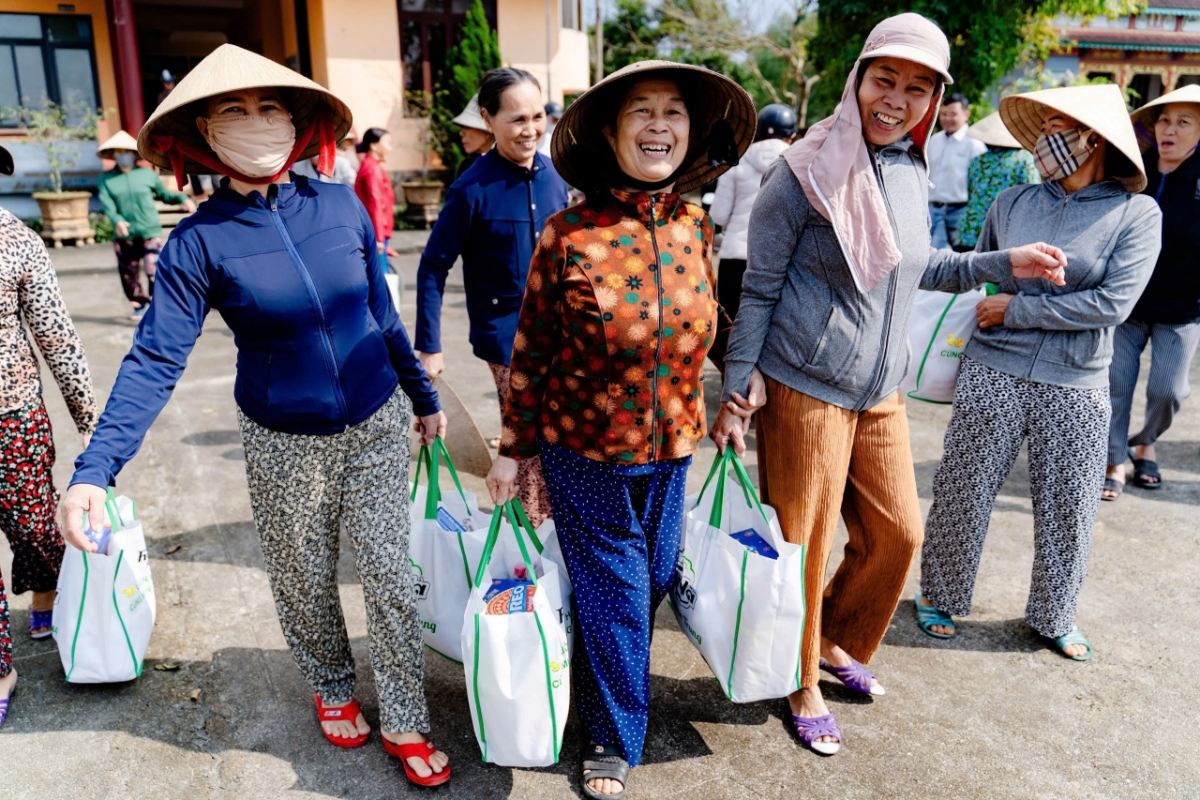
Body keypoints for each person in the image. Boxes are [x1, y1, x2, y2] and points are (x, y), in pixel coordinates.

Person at [61, 44, 452, 787]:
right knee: (303, 579)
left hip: (375, 421)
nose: (255, 122)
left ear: (298, 120)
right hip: (281, 441)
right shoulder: (198, 244)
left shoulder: (339, 203)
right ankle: (333, 686)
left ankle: (404, 715)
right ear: (202, 132)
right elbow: (153, 360)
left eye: (269, 105)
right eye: (232, 110)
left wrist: (424, 397)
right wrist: (93, 470)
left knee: (390, 576)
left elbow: (381, 314)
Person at [710, 13, 1070, 756]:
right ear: (859, 79)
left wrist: (1007, 263)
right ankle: (800, 676)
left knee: (897, 534)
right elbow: (761, 286)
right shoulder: (801, 172)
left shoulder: (910, 167)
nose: (896, 99)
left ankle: (839, 638)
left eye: (916, 87)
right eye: (885, 80)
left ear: (933, 98)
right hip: (804, 382)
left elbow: (923, 264)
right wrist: (738, 390)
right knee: (803, 543)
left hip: (882, 389)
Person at [487, 59, 752, 798]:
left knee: (656, 576)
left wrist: (735, 388)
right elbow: (530, 352)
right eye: (641, 111)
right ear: (610, 132)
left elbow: (707, 324)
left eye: (673, 112)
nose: (659, 125)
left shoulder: (698, 224)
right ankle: (609, 735)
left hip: (673, 445)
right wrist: (515, 451)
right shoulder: (568, 233)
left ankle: (596, 659)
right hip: (587, 452)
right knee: (620, 593)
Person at [916, 84, 1161, 662]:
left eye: (1057, 126)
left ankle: (1054, 615)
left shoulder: (1136, 214)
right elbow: (984, 274)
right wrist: (998, 301)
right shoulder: (1012, 201)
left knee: (1070, 503)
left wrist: (1016, 310)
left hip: (1076, 383)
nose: (1045, 139)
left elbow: (1112, 305)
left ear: (1092, 138)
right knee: (962, 489)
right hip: (991, 368)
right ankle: (941, 594)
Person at [415, 68, 568, 528]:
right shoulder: (471, 189)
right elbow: (431, 267)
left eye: (538, 116)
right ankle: (532, 539)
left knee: (560, 435)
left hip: (565, 333)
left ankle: (551, 525)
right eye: (517, 119)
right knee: (524, 436)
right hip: (508, 339)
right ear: (488, 119)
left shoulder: (556, 177)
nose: (531, 130)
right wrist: (430, 346)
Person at [0, 142, 98, 728]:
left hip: (12, 416)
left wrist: (90, 421)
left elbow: (57, 337)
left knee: (35, 526)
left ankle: (44, 591)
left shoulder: (16, 242)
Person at [1104, 84, 1200, 499]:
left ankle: (1147, 442)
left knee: (1168, 390)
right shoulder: (1133, 172)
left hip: (1183, 307)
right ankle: (1114, 459)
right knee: (1114, 382)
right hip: (1128, 302)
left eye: (1184, 122)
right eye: (1164, 119)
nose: (1170, 130)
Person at [710, 102, 796, 320]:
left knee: (730, 330)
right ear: (792, 135)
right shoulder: (800, 164)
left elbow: (718, 215)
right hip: (777, 263)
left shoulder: (736, 163)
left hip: (733, 260)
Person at [96, 130, 196, 319]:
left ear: (134, 154)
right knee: (129, 274)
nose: (123, 155)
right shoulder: (106, 178)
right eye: (118, 152)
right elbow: (107, 204)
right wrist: (117, 220)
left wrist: (182, 198)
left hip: (149, 229)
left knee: (154, 269)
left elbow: (164, 195)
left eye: (126, 151)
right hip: (125, 234)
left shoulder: (146, 174)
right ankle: (139, 305)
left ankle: (156, 306)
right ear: (114, 155)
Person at [957, 111, 1039, 251]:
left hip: (970, 230)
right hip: (1004, 233)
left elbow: (971, 194)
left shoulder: (977, 161)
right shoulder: (1024, 160)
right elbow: (1033, 199)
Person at [927, 92, 986, 249]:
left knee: (960, 259)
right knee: (930, 258)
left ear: (966, 114)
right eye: (944, 114)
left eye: (953, 114)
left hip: (960, 211)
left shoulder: (974, 144)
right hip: (932, 210)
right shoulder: (934, 140)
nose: (947, 119)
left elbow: (980, 183)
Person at [354, 127, 395, 270]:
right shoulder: (372, 169)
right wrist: (378, 238)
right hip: (376, 231)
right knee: (382, 279)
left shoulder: (371, 165)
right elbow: (375, 203)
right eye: (388, 143)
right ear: (374, 145)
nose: (390, 148)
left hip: (376, 230)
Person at [451, 93, 495, 180]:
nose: (461, 133)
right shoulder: (467, 167)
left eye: (467, 127)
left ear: (486, 132)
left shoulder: (510, 166)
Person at [291, 146, 357, 187]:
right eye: (312, 151)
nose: (316, 156)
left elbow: (352, 184)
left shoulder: (342, 163)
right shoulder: (298, 166)